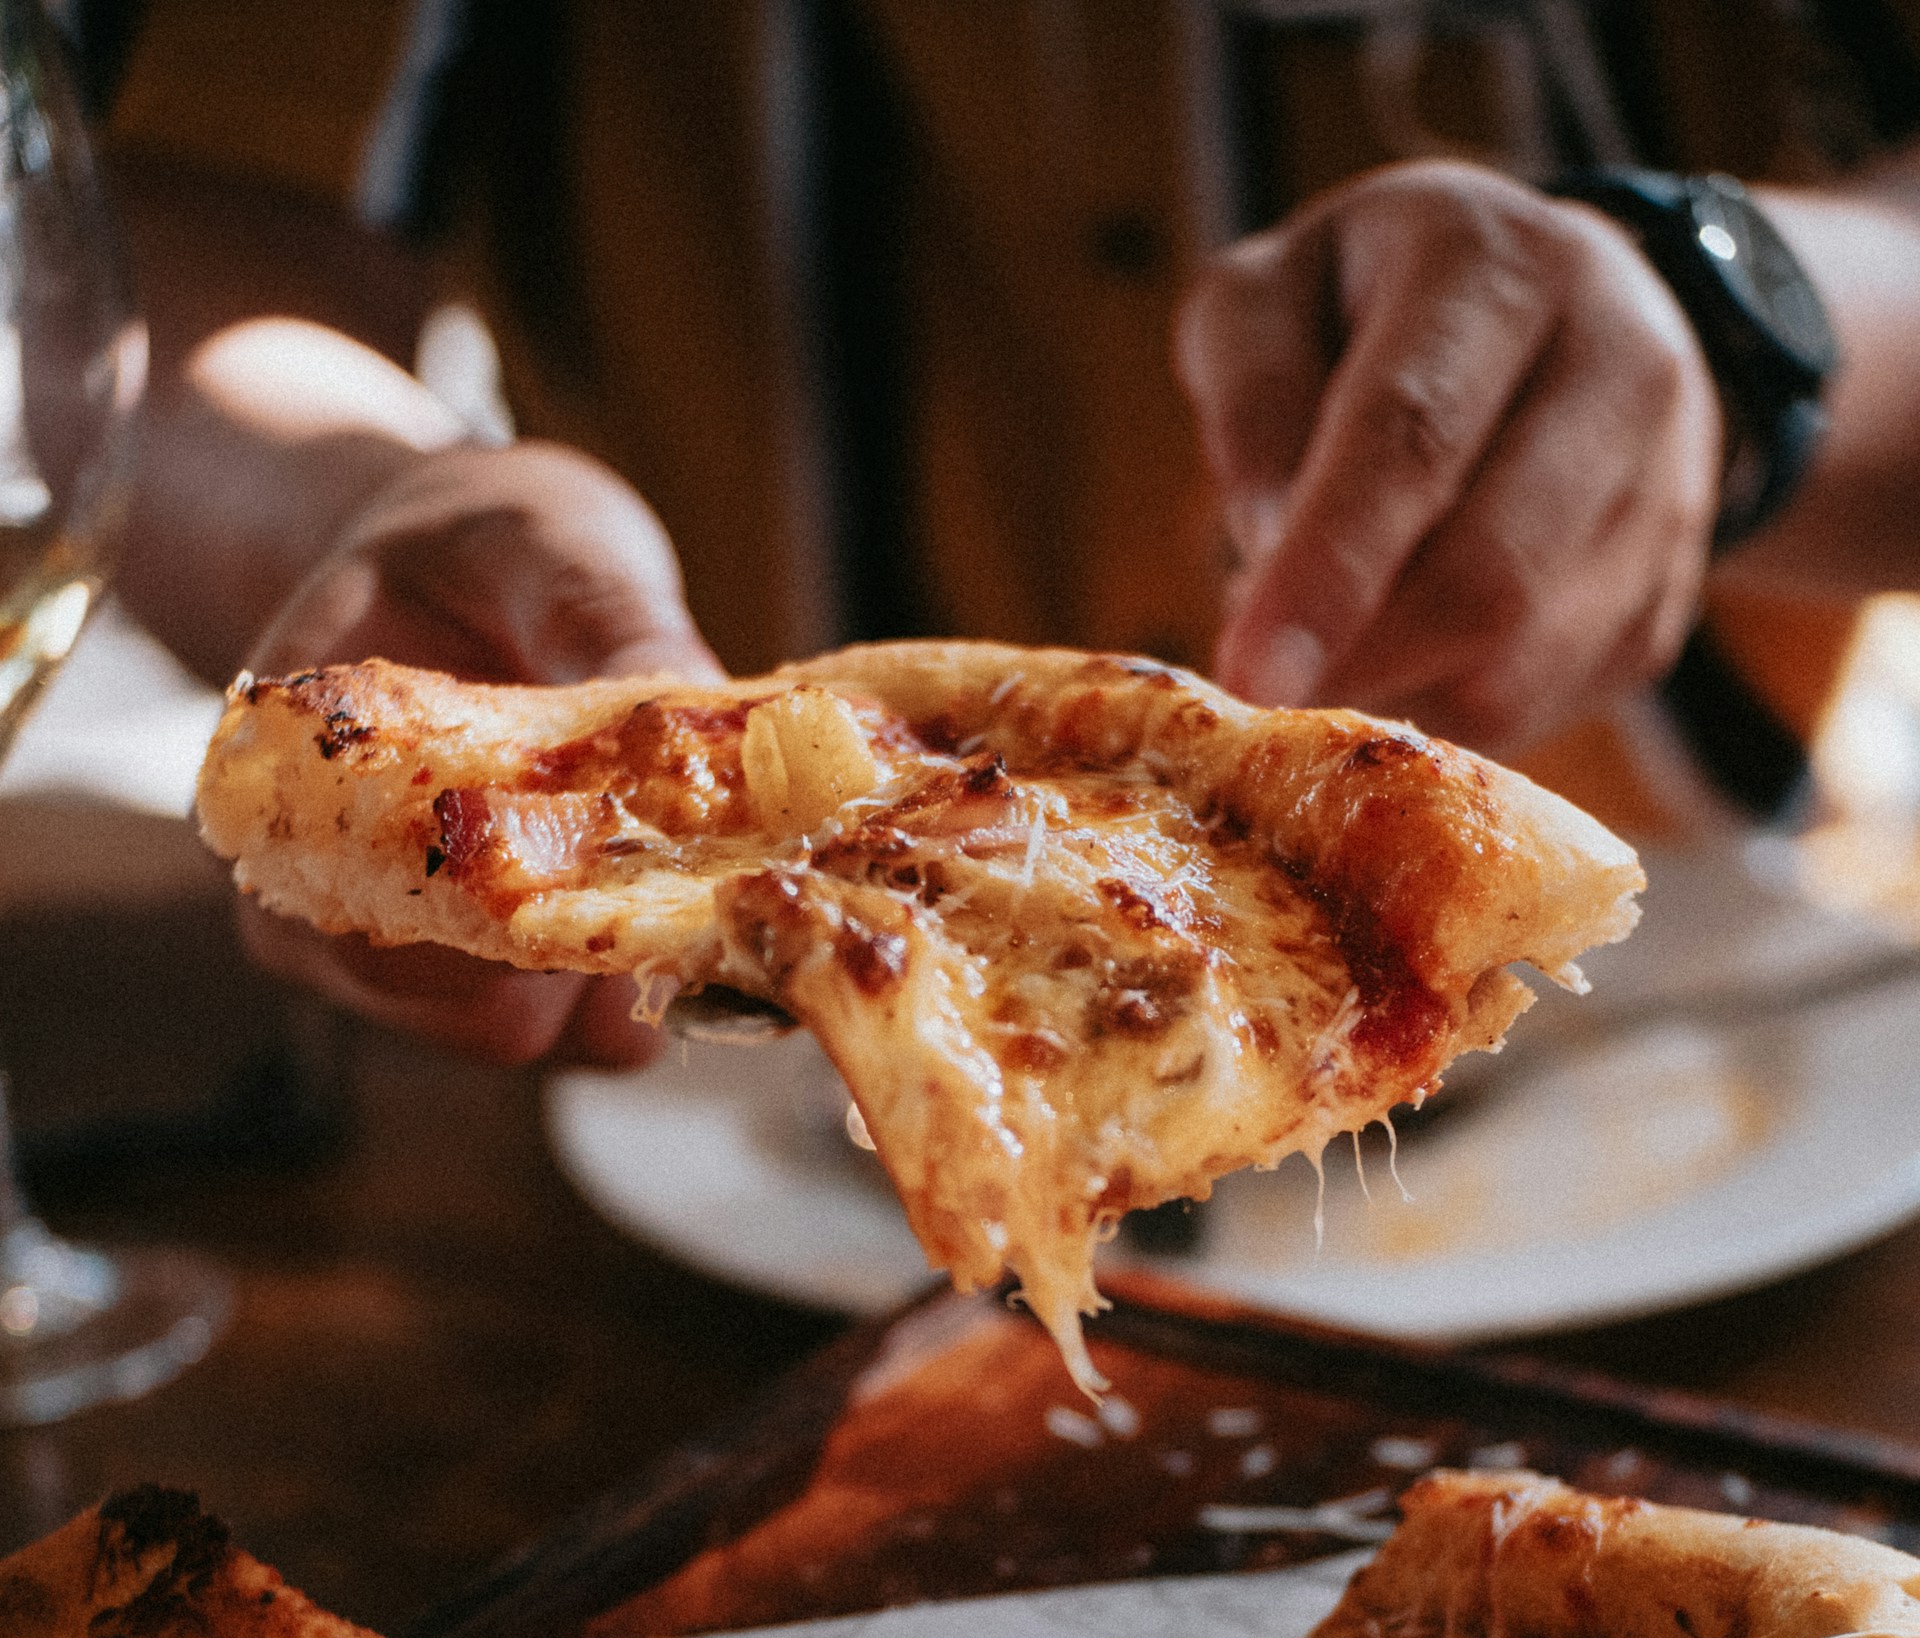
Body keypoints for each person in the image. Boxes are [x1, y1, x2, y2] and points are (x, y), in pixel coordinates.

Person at [74, 1, 1920, 1066]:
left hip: (1711, 1049)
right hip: (715, 1110)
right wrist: (370, 506)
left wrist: (1737, 317)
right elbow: (155, 260)